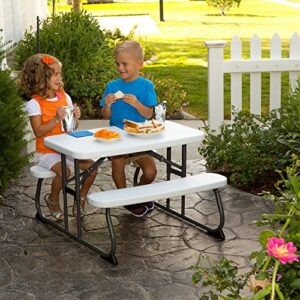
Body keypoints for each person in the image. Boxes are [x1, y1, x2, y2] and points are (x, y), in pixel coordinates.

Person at [19, 54, 97, 220]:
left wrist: (75, 117)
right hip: (47, 152)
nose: (59, 77)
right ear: (41, 78)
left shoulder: (64, 97)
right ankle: (53, 200)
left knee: (92, 168)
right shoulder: (35, 103)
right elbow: (39, 131)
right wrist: (55, 119)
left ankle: (80, 198)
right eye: (55, 74)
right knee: (65, 171)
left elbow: (70, 128)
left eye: (59, 74)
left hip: (66, 148)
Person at [100, 40, 158, 217]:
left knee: (150, 171)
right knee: (117, 164)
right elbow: (105, 115)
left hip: (139, 139)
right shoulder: (112, 86)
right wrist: (108, 106)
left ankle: (137, 195)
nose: (120, 67)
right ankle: (126, 199)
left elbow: (150, 114)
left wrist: (137, 104)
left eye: (125, 64)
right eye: (118, 64)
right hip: (117, 139)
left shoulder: (146, 86)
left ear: (139, 64)